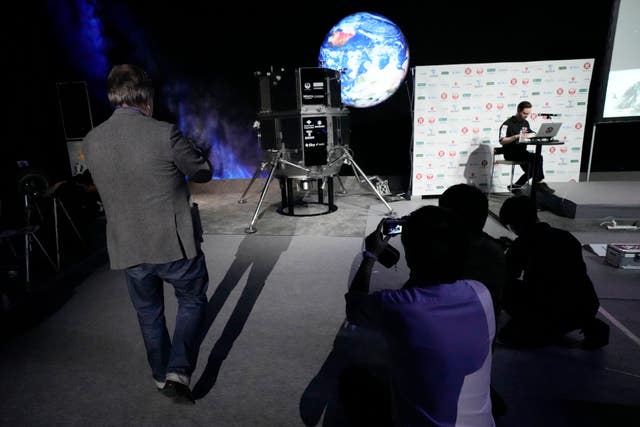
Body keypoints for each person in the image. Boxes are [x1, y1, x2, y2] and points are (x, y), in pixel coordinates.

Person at [83, 64, 213, 404]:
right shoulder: (165, 133)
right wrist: (198, 150)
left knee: (148, 314)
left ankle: (159, 374)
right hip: (173, 245)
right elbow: (202, 171)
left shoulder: (91, 141)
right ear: (146, 96)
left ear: (114, 96)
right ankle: (178, 370)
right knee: (192, 299)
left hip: (128, 247)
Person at [345, 206, 495, 426]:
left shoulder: (398, 307)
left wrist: (370, 255)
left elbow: (354, 307)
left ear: (410, 255)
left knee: (352, 379)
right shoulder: (481, 293)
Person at [498, 195, 609, 349]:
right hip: (585, 305)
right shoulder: (566, 237)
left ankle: (539, 328)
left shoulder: (523, 243)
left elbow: (508, 274)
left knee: (506, 290)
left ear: (516, 224)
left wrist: (503, 253)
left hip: (548, 310)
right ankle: (588, 325)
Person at [499, 101, 554, 193]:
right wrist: (516, 136)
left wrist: (534, 135)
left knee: (536, 162)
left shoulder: (526, 123)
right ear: (518, 110)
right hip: (511, 153)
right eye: (524, 113)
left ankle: (517, 186)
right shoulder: (507, 124)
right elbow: (502, 140)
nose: (526, 116)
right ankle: (539, 183)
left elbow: (531, 133)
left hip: (522, 152)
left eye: (528, 114)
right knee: (535, 164)